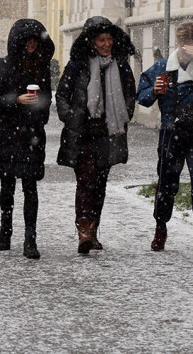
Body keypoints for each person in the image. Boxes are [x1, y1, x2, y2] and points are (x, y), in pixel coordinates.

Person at [136, 21, 193, 258]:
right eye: (185, 44)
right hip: (171, 132)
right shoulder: (162, 68)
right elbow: (142, 97)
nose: (189, 48)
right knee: (167, 183)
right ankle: (160, 228)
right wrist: (154, 91)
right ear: (178, 43)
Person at [56, 16, 136, 254]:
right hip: (83, 134)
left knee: (100, 183)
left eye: (110, 39)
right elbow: (61, 95)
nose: (107, 44)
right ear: (91, 42)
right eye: (102, 39)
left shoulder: (120, 65)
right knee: (85, 181)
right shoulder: (77, 65)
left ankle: (93, 230)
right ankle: (83, 232)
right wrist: (71, 117)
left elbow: (130, 93)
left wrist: (126, 114)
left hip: (109, 134)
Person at [0, 19, 54, 259]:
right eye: (27, 40)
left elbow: (46, 100)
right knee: (7, 187)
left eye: (35, 40)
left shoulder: (41, 68)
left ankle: (30, 239)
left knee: (30, 187)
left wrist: (38, 118)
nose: (32, 44)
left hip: (31, 135)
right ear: (18, 42)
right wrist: (16, 101)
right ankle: (5, 231)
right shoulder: (1, 65)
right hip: (6, 135)